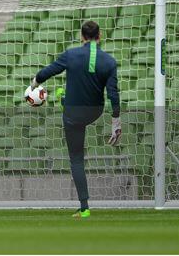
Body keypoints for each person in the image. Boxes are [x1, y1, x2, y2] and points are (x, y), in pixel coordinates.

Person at [31, 20, 121, 218]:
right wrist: (115, 122)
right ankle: (63, 96)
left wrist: (34, 84)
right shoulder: (109, 61)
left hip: (73, 114)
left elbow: (49, 71)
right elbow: (113, 94)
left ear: (82, 37)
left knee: (76, 159)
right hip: (95, 111)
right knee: (77, 98)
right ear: (100, 36)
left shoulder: (71, 54)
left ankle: (84, 207)